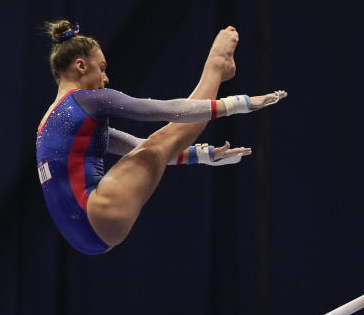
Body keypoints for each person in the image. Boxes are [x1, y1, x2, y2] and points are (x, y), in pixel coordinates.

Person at [36, 20, 286, 254]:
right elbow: (162, 110)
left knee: (158, 146)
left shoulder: (49, 122)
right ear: (80, 65)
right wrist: (237, 104)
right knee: (168, 137)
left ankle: (218, 70)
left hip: (83, 234)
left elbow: (136, 148)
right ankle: (217, 67)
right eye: (101, 68)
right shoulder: (86, 100)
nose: (106, 78)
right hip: (97, 212)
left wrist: (202, 155)